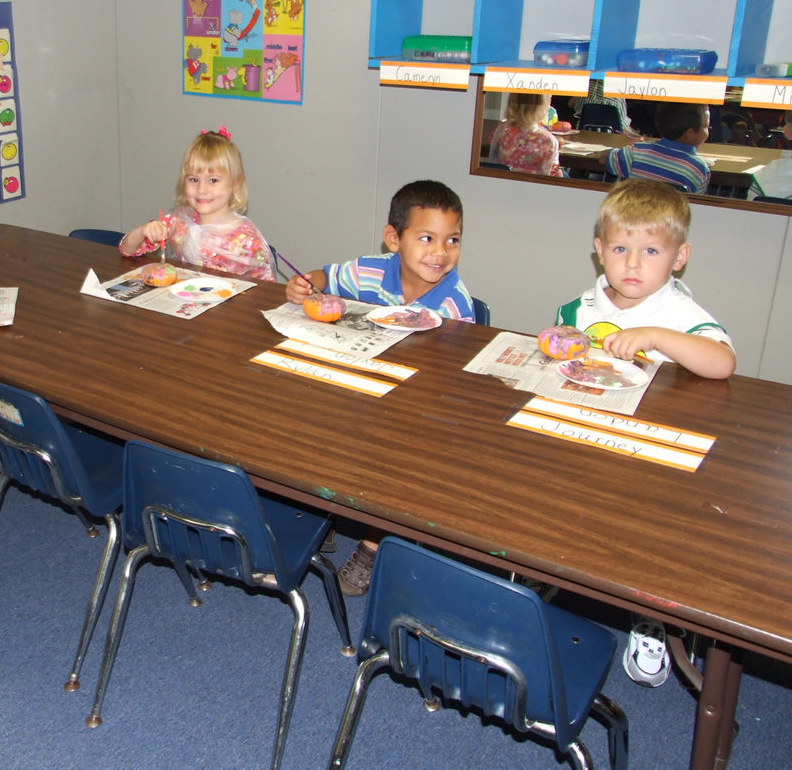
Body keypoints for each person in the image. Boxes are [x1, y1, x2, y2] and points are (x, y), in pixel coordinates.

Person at [286, 180, 475, 595]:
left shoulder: (454, 304)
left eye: (452, 240)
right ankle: (330, 511)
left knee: (400, 459)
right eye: (427, 238)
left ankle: (373, 542)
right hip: (369, 388)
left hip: (418, 407)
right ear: (394, 239)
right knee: (321, 418)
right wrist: (305, 284)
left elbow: (453, 376)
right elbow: (326, 276)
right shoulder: (371, 271)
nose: (440, 253)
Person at [556, 178, 735, 378]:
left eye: (651, 250)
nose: (632, 263)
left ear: (679, 257)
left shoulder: (681, 313)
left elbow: (723, 364)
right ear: (601, 251)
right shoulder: (578, 309)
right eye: (620, 249)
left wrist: (655, 336)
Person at [120, 126, 275, 280]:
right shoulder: (177, 224)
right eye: (194, 179)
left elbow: (264, 291)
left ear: (236, 183)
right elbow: (126, 250)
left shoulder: (248, 241)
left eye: (213, 180)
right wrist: (143, 231)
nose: (202, 189)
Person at [600, 101, 712, 194]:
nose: (708, 131)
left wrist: (628, 147)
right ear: (690, 133)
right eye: (706, 127)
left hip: (633, 216)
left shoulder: (635, 152)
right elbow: (697, 206)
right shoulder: (699, 169)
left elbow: (603, 158)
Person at [487, 92, 562, 177]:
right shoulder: (548, 140)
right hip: (533, 188)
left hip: (501, 183)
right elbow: (554, 174)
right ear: (544, 106)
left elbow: (492, 157)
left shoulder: (502, 130)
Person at [570, 79, 640, 136]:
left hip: (584, 136)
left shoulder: (585, 88)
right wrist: (638, 136)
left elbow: (571, 104)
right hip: (610, 139)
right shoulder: (617, 95)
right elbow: (623, 127)